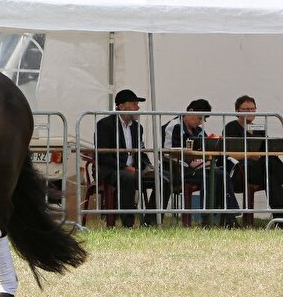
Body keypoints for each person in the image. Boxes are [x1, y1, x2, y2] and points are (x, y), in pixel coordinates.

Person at [162, 98, 239, 226]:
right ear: (191, 111)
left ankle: (227, 217)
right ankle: (212, 218)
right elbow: (167, 153)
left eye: (203, 119)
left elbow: (209, 148)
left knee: (220, 173)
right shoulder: (174, 126)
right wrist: (188, 162)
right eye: (199, 118)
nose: (200, 122)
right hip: (178, 170)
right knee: (213, 174)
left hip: (198, 169)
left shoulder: (199, 131)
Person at [94, 89, 155, 228]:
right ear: (121, 106)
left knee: (163, 178)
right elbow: (103, 156)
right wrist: (126, 168)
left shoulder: (137, 127)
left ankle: (150, 221)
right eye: (134, 104)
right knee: (128, 178)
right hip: (111, 170)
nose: (137, 108)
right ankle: (128, 224)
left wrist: (148, 166)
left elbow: (140, 152)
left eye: (137, 104)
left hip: (134, 169)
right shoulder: (105, 125)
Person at [223, 95, 283, 218]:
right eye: (245, 109)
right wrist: (251, 155)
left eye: (252, 109)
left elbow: (266, 149)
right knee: (268, 164)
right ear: (237, 111)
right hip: (240, 170)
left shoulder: (259, 129)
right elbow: (228, 153)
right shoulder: (231, 127)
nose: (250, 112)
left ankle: (279, 218)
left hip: (261, 170)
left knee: (270, 175)